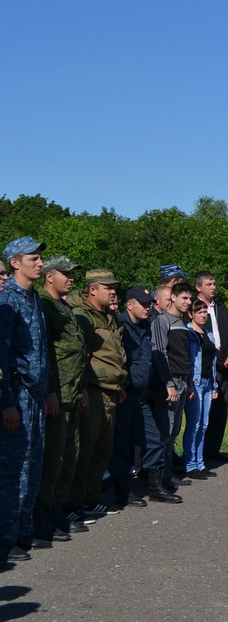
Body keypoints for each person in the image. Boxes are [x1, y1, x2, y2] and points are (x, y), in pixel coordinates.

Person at [0, 237, 50, 562]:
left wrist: (48, 391)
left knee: (33, 463)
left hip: (36, 395)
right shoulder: (9, 301)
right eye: (33, 257)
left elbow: (43, 353)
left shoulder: (33, 299)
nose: (40, 263)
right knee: (14, 468)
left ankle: (23, 532)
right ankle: (7, 539)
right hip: (17, 394)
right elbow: (2, 357)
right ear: (15, 262)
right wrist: (6, 402)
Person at [113, 287, 182, 506]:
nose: (147, 307)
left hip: (141, 396)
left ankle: (155, 486)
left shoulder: (146, 327)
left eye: (148, 303)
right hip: (123, 395)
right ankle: (122, 492)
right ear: (129, 305)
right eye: (143, 304)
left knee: (154, 441)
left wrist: (165, 382)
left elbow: (154, 359)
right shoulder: (119, 326)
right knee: (121, 446)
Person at [35, 255, 87, 544]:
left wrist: (79, 393)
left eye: (71, 273)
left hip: (72, 392)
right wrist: (51, 390)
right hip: (57, 393)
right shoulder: (43, 303)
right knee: (52, 459)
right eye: (64, 273)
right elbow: (48, 355)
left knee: (69, 456)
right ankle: (43, 515)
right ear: (48, 275)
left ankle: (58, 509)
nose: (70, 278)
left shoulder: (63, 306)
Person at [68, 269, 126, 519]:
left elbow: (116, 354)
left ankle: (92, 498)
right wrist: (83, 392)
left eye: (113, 287)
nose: (113, 291)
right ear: (93, 290)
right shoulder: (83, 317)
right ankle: (75, 503)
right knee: (85, 452)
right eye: (107, 287)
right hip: (93, 391)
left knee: (102, 451)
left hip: (111, 391)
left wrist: (120, 384)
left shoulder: (108, 317)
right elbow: (80, 358)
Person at [151, 282, 194, 489]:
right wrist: (169, 382)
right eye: (184, 298)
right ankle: (158, 477)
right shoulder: (162, 321)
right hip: (171, 382)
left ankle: (168, 473)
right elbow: (160, 353)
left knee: (174, 430)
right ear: (173, 298)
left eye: (190, 298)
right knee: (165, 431)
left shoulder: (182, 322)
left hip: (183, 381)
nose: (188, 302)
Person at [194, 270, 228, 465]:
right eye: (208, 284)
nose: (213, 288)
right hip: (206, 367)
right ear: (198, 287)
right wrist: (218, 358)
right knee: (203, 412)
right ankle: (198, 454)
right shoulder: (195, 309)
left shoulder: (220, 307)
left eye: (214, 284)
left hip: (224, 366)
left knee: (221, 410)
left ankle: (213, 449)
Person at [184, 299, 217, 480]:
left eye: (205, 312)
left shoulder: (209, 335)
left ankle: (200, 463)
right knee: (194, 425)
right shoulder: (188, 333)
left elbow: (212, 363)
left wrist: (214, 385)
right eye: (198, 312)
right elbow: (188, 361)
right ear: (190, 314)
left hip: (207, 383)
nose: (203, 315)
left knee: (204, 425)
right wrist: (188, 384)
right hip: (194, 383)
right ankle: (190, 465)